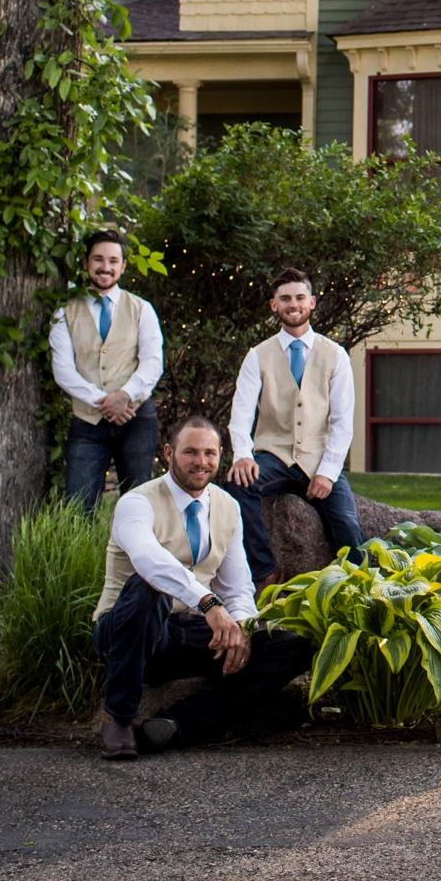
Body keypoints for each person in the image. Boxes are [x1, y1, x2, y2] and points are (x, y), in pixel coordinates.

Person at [90, 412, 313, 758]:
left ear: (220, 455)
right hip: (130, 633)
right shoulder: (136, 503)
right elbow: (150, 560)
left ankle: (177, 726)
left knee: (293, 645)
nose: (201, 462)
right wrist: (209, 603)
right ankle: (118, 717)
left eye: (209, 453)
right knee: (151, 588)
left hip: (188, 634)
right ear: (168, 454)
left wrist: (240, 628)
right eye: (190, 452)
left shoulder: (228, 507)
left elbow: (237, 586)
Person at [228, 265, 365, 585]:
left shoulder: (336, 355)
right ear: (274, 305)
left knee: (345, 520)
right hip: (273, 457)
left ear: (312, 302)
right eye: (285, 298)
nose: (294, 304)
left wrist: (328, 473)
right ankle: (264, 570)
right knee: (237, 486)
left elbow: (343, 421)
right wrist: (242, 455)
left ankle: (362, 586)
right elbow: (241, 413)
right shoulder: (257, 355)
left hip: (319, 457)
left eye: (300, 298)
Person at [49, 227, 164, 510]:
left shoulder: (142, 309)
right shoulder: (65, 311)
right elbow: (63, 370)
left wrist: (124, 395)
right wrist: (103, 402)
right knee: (78, 507)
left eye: (113, 261)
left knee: (139, 505)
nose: (105, 267)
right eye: (98, 259)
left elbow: (153, 362)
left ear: (123, 267)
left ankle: (131, 555)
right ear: (87, 263)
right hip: (87, 421)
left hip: (136, 418)